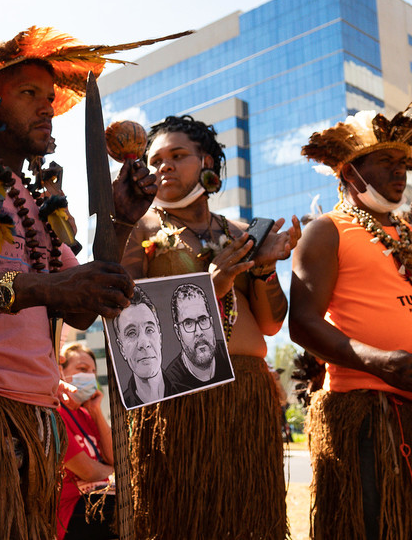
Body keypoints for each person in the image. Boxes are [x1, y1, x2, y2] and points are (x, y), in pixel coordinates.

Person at [0, 26, 163, 538]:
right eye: (29, 95)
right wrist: (45, 290)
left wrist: (121, 221)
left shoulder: (38, 200)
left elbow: (84, 306)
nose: (47, 108)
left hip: (36, 418)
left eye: (50, 97)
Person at [290, 85, 412, 539]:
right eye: (387, 163)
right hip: (367, 408)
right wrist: (379, 361)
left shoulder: (411, 237)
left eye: (404, 165)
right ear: (351, 171)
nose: (401, 173)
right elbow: (303, 324)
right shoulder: (326, 231)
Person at [120, 115, 299, 539]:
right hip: (181, 399)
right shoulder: (139, 230)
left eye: (178, 156)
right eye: (155, 159)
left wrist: (266, 266)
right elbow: (127, 317)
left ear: (208, 163)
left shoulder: (240, 232)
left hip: (248, 393)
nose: (164, 166)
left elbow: (272, 323)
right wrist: (212, 284)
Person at [55, 343, 115, 540]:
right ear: (61, 372)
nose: (89, 376)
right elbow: (87, 471)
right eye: (82, 369)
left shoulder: (87, 414)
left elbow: (114, 457)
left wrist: (96, 411)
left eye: (93, 371)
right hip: (72, 508)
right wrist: (122, 473)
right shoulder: (54, 412)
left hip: (101, 496)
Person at [163, 282, 232, 392]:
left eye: (203, 320)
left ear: (211, 322)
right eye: (188, 323)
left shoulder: (229, 355)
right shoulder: (172, 384)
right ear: (178, 332)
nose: (199, 332)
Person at [112, 286, 172, 406]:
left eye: (149, 329)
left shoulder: (190, 390)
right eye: (131, 333)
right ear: (121, 348)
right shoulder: (121, 407)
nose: (144, 344)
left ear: (159, 336)